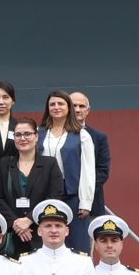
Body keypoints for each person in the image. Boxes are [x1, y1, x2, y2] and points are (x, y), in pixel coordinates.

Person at [0, 117, 65, 250]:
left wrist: (29, 219)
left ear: (36, 137)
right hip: (12, 233)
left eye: (27, 134)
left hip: (41, 232)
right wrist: (16, 223)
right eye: (18, 134)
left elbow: (54, 197)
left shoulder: (50, 164)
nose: (22, 138)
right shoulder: (4, 164)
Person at [38, 90, 97, 249]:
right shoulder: (39, 133)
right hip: (45, 194)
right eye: (52, 104)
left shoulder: (82, 135)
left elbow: (88, 170)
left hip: (72, 196)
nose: (56, 107)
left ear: (68, 108)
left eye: (60, 104)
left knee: (76, 244)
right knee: (47, 242)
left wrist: (85, 202)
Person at [69, 90, 112, 221]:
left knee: (89, 242)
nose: (77, 110)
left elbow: (102, 171)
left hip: (91, 208)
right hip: (60, 202)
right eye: (73, 106)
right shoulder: (52, 136)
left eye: (81, 106)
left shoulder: (99, 138)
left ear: (88, 110)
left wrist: (81, 192)